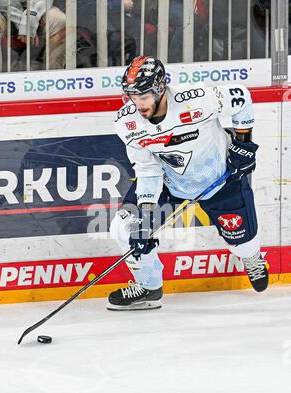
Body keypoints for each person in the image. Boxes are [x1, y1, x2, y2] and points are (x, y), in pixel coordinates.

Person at [108, 55, 268, 310]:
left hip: (220, 179)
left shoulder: (196, 99)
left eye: (143, 95)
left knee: (242, 242)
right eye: (132, 96)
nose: (138, 103)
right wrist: (146, 217)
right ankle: (149, 287)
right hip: (170, 184)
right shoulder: (126, 122)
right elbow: (147, 168)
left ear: (159, 88)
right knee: (125, 227)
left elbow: (242, 98)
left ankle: (251, 257)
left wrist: (243, 144)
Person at [0, 0, 65, 72]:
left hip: (38, 11)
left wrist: (30, 18)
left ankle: (54, 78)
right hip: (2, 11)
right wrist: (23, 24)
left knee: (59, 20)